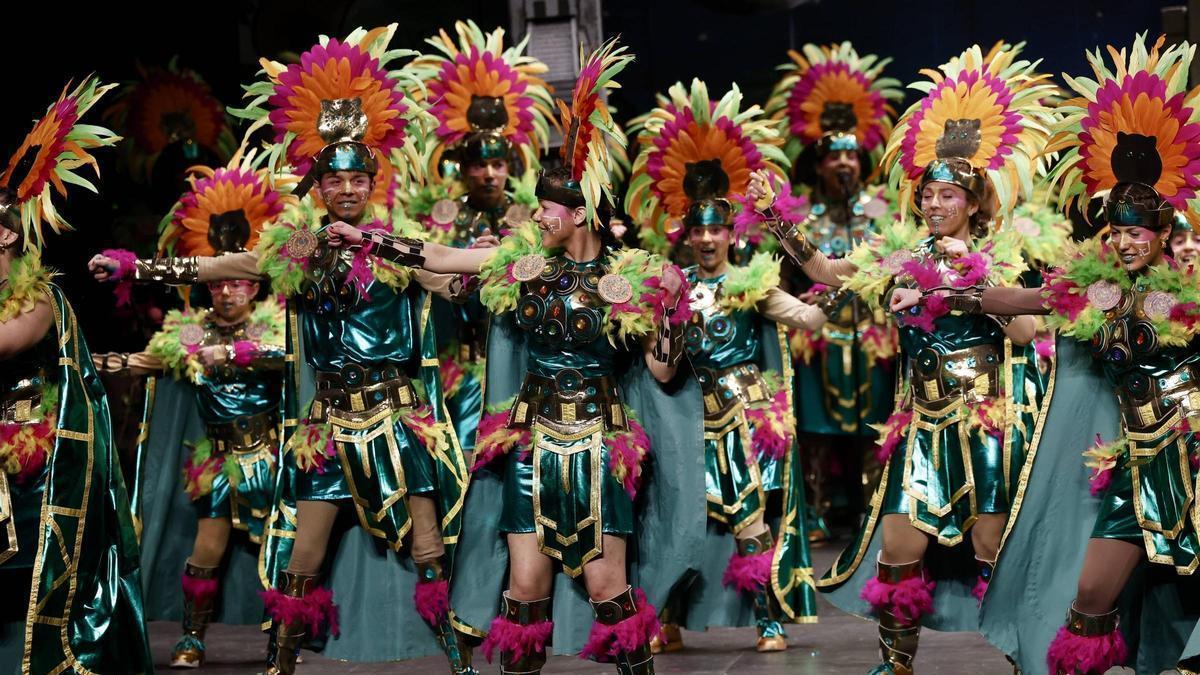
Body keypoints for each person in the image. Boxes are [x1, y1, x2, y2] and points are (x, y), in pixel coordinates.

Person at [90, 25, 475, 674]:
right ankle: (284, 658)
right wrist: (138, 267)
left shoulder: (394, 246)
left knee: (428, 543)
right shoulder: (295, 251)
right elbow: (221, 265)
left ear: (370, 184)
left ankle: (456, 655)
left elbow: (453, 259)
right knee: (304, 552)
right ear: (320, 189)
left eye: (358, 180)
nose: (348, 190)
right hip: (329, 422)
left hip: (396, 417)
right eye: (336, 182)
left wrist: (526, 257)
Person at [324, 38, 699, 675]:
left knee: (608, 589)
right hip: (532, 447)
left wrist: (670, 307)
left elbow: (663, 371)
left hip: (600, 446)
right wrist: (369, 239)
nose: (535, 213)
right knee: (523, 593)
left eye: (547, 207)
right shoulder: (520, 264)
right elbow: (441, 257)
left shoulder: (630, 277)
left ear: (577, 213)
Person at [893, 34, 1200, 674]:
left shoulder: (1194, 287)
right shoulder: (1098, 289)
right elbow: (1030, 298)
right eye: (1115, 230)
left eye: (1137, 231)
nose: (1124, 241)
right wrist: (967, 299)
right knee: (1089, 599)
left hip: (1196, 461)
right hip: (1137, 467)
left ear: (1165, 231)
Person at [751, 42, 1054, 674]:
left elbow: (1027, 333)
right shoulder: (896, 253)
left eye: (949, 196)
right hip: (920, 425)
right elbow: (826, 272)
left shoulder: (1001, 258)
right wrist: (780, 220)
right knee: (897, 551)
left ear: (974, 204)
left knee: (995, 551)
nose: (935, 204)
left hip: (986, 426)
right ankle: (896, 664)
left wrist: (976, 294)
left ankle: (1027, 656)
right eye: (928, 195)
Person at [623, 77, 826, 653]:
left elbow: (808, 322)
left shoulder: (750, 282)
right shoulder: (667, 287)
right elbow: (659, 373)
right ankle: (668, 618)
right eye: (698, 228)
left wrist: (833, 292)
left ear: (732, 233)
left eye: (717, 227)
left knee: (748, 520)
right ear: (683, 234)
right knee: (677, 517)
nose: (707, 238)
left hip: (744, 417)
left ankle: (767, 618)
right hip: (684, 420)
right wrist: (669, 320)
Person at [93, 154, 288, 669]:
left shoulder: (276, 326)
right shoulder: (190, 334)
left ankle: (283, 640)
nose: (227, 291)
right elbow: (142, 362)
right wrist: (89, 361)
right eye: (218, 284)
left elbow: (287, 359)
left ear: (255, 284)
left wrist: (237, 353)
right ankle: (191, 635)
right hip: (218, 461)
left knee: (284, 553)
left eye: (237, 282)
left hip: (272, 456)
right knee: (207, 550)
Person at [0, 77, 154, 673]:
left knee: (34, 593)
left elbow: (7, 342)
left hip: (35, 472)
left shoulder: (36, 295)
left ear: (8, 233)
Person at [763, 41, 902, 537]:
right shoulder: (802, 215)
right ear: (818, 165)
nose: (844, 165)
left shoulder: (885, 212)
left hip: (874, 335)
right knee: (816, 430)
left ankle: (873, 507)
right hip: (818, 337)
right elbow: (778, 275)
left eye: (852, 158)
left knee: (874, 427)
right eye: (834, 158)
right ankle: (816, 512)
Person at [404, 19, 555, 463]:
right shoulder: (435, 219)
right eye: (480, 164)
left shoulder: (537, 218)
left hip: (524, 358)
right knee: (469, 459)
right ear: (462, 167)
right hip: (462, 364)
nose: (490, 173)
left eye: (498, 164)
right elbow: (424, 283)